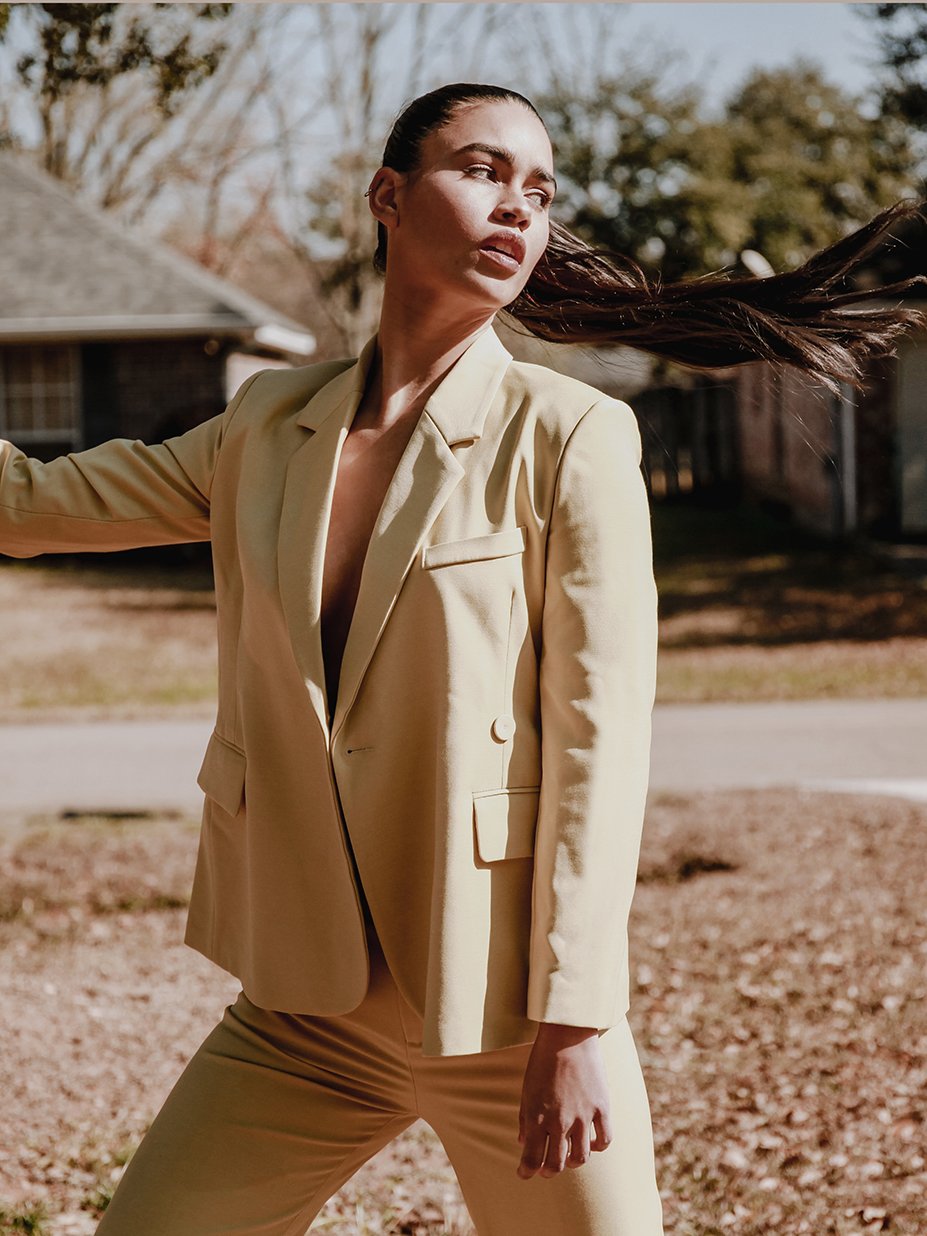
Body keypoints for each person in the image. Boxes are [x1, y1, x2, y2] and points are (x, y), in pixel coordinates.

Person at [1, 81, 923, 1236]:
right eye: (482, 172)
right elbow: (27, 501)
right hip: (303, 1017)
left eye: (537, 192)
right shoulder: (267, 425)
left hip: (512, 1022)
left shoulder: (570, 434)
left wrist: (578, 1023)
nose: (516, 210)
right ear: (389, 196)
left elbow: (598, 739)